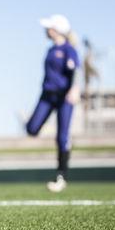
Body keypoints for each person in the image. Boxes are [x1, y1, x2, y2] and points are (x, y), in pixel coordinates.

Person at [26, 14, 79, 193]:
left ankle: (61, 176)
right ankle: (63, 153)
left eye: (48, 27)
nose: (45, 30)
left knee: (62, 136)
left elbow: (75, 71)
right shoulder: (50, 50)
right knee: (31, 128)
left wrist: (74, 89)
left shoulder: (68, 49)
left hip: (64, 97)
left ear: (56, 30)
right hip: (47, 96)